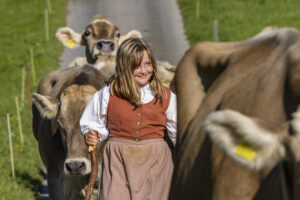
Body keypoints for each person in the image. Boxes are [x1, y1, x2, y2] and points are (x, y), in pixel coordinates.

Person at [80, 38, 177, 200]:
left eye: (147, 64)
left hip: (156, 163)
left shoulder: (165, 96)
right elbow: (92, 123)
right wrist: (92, 134)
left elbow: (178, 132)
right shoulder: (108, 93)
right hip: (119, 161)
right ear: (125, 67)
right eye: (136, 66)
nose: (144, 70)